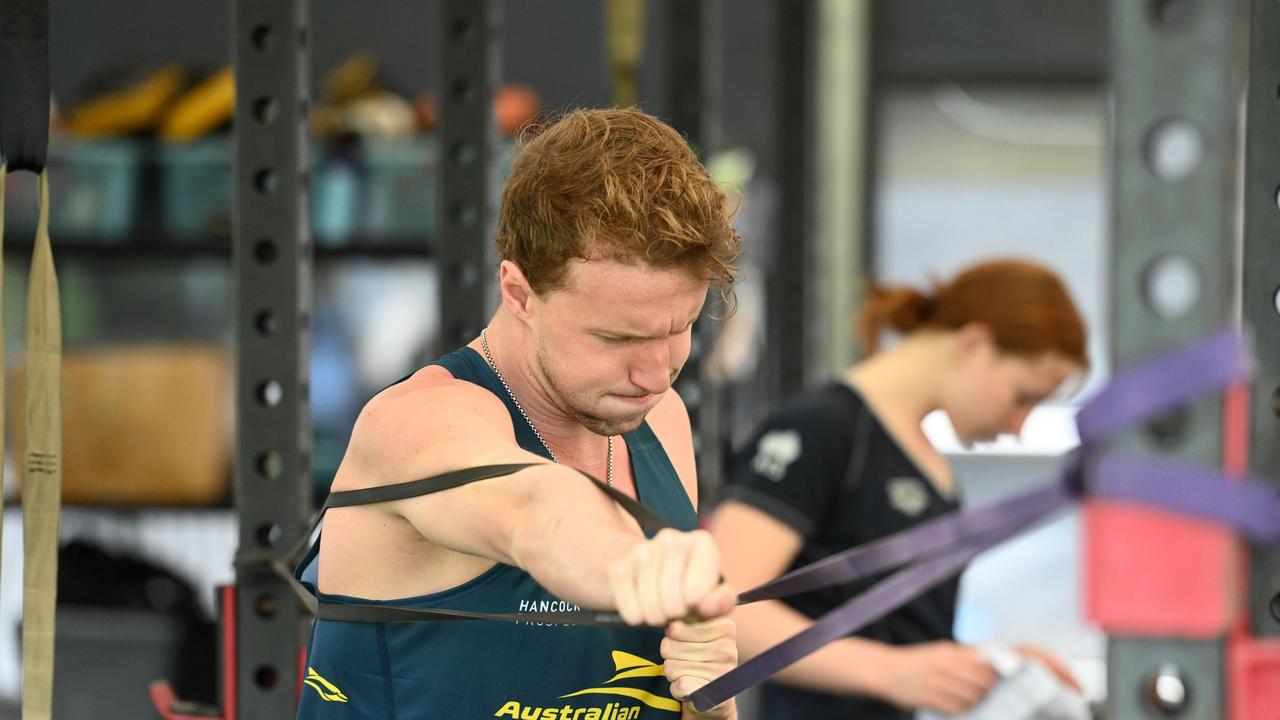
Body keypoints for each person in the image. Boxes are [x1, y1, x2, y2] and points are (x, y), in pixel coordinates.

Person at [295, 108, 743, 720]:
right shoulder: (416, 424)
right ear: (519, 293)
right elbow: (535, 514)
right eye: (615, 339)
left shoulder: (659, 422)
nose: (656, 374)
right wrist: (634, 568)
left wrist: (711, 695)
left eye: (680, 328)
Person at [708, 259, 1089, 719]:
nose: (1019, 424)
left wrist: (991, 666)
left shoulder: (930, 464)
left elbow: (900, 638)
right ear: (974, 343)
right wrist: (889, 671)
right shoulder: (823, 431)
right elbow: (725, 606)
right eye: (1023, 397)